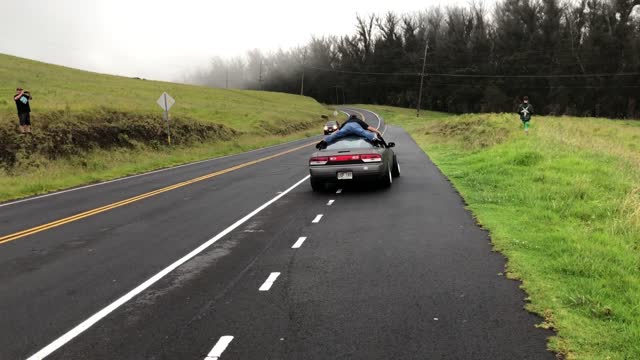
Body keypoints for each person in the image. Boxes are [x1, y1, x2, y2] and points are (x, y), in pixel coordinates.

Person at [316, 114, 382, 149]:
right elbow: (369, 128)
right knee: (365, 133)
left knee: (337, 135)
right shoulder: (358, 120)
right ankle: (374, 139)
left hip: (347, 127)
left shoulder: (346, 121)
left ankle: (324, 142)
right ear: (355, 117)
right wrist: (377, 131)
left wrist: (327, 138)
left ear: (350, 118)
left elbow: (337, 131)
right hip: (356, 127)